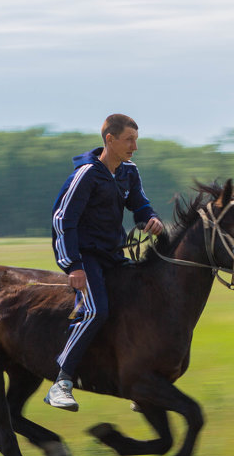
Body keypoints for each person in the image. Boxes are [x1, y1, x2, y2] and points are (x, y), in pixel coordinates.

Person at [46, 114, 165, 411]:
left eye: (136, 140)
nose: (134, 147)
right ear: (109, 140)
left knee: (147, 300)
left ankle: (142, 383)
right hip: (86, 258)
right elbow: (63, 220)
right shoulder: (86, 174)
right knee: (96, 310)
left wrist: (150, 219)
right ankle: (61, 382)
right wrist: (72, 265)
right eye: (129, 140)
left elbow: (139, 204)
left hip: (114, 255)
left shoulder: (129, 172)